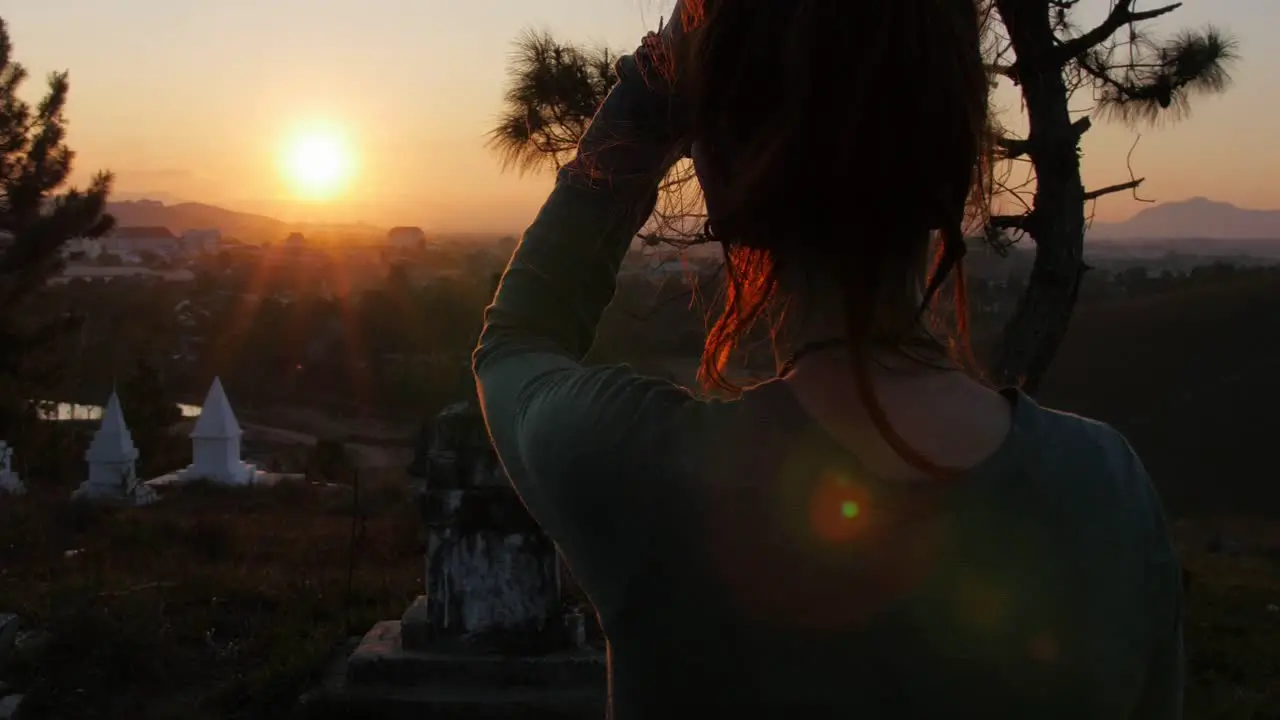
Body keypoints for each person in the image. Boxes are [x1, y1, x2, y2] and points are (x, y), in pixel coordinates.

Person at [473, 1, 1184, 717]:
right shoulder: (1109, 492)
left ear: (718, 175)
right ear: (968, 157)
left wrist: (651, 84)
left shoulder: (647, 476)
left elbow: (517, 342)